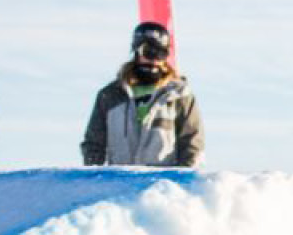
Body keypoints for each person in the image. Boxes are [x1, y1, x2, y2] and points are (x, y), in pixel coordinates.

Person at [81, 21, 204, 167]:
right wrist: (95, 176)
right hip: (120, 183)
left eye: (159, 53)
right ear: (136, 52)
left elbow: (192, 142)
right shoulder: (110, 96)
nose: (153, 60)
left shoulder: (179, 97)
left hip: (161, 186)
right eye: (148, 52)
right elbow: (94, 142)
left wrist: (184, 179)